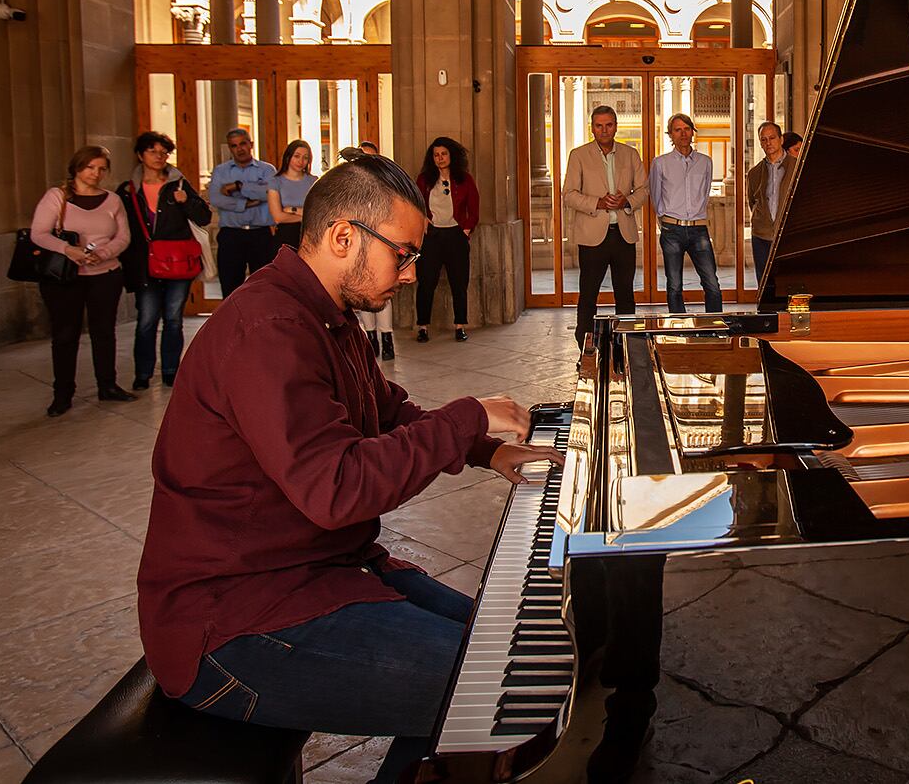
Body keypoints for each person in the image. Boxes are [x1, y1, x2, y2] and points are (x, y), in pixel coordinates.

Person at [135, 154, 563, 784]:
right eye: (405, 254)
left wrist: (486, 450)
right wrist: (468, 418)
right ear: (344, 238)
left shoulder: (326, 316)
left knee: (519, 649)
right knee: (506, 687)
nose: (412, 275)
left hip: (321, 572)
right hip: (235, 619)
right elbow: (335, 489)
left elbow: (388, 412)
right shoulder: (268, 329)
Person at [30, 145, 134, 416]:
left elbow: (123, 237)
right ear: (77, 168)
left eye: (101, 169)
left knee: (104, 332)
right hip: (66, 277)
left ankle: (107, 385)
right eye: (90, 167)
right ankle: (62, 394)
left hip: (105, 274)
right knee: (65, 335)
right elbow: (38, 234)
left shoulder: (112, 200)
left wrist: (103, 253)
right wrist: (70, 250)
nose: (96, 173)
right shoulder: (58, 196)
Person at [116, 131, 212, 390]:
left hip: (178, 262)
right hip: (144, 263)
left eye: (164, 153)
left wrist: (186, 202)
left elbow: (204, 217)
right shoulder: (128, 190)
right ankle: (143, 372)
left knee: (173, 318)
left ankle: (171, 369)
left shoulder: (178, 184)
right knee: (146, 319)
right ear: (140, 155)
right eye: (153, 152)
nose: (159, 157)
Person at [563, 105, 648, 348]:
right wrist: (597, 203)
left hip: (623, 236)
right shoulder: (578, 155)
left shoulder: (630, 154)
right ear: (592, 128)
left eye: (609, 125)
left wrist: (627, 201)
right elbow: (568, 194)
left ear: (616, 126)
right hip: (592, 237)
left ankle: (628, 346)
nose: (604, 130)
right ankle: (586, 347)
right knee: (588, 296)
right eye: (599, 125)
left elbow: (644, 189)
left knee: (626, 295)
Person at [649, 113, 721, 314]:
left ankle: (715, 328)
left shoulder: (705, 162)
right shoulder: (660, 163)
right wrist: (665, 218)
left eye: (686, 129)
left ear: (692, 132)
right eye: (677, 130)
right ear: (670, 134)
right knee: (674, 285)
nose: (683, 134)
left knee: (712, 283)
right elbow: (655, 196)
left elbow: (705, 192)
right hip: (672, 229)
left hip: (699, 229)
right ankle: (678, 328)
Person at [414, 136, 479, 343]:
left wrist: (466, 230)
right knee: (426, 283)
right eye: (436, 155)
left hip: (455, 235)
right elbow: (416, 203)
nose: (440, 158)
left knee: (459, 283)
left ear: (451, 155)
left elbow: (474, 208)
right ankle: (422, 327)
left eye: (443, 154)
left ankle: (460, 326)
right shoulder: (424, 179)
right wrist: (423, 221)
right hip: (432, 236)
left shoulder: (464, 179)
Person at [341, 143, 396, 360]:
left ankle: (387, 339)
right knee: (363, 288)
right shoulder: (348, 184)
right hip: (358, 241)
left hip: (381, 241)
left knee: (383, 288)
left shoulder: (387, 185)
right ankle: (370, 338)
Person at [208, 128, 276, 296]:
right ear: (230, 148)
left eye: (243, 143)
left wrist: (239, 186)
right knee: (230, 288)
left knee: (263, 288)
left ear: (251, 144)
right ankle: (234, 323)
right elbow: (216, 199)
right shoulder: (221, 171)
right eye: (234, 145)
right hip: (231, 235)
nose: (240, 149)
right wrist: (245, 204)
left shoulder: (267, 170)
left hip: (261, 235)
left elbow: (270, 193)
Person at [746, 121, 797, 282]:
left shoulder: (798, 167)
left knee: (790, 283)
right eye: (763, 139)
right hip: (762, 237)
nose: (768, 142)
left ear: (781, 140)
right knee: (764, 284)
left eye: (772, 138)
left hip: (789, 236)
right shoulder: (754, 173)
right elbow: (752, 202)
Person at [268, 139, 317, 251]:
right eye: (297, 156)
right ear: (288, 157)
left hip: (309, 235)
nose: (301, 161)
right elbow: (278, 217)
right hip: (285, 236)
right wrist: (304, 216)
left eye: (305, 157)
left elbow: (317, 212)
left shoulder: (313, 181)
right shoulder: (275, 181)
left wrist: (292, 209)